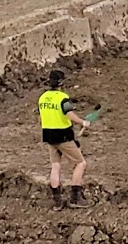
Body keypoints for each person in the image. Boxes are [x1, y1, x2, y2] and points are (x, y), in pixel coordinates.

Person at [39, 69, 93, 209]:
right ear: (61, 83)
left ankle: (57, 201)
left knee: (55, 166)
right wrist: (82, 122)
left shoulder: (43, 98)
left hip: (48, 136)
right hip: (63, 135)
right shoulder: (62, 98)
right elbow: (68, 113)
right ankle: (75, 197)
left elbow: (43, 116)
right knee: (80, 163)